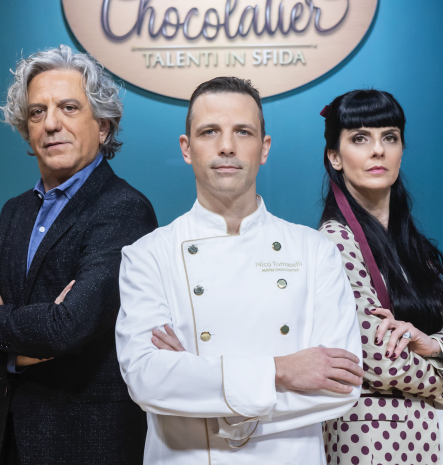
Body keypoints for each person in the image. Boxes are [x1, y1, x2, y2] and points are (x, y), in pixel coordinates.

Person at [115, 77, 365, 465]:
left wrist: (198, 383)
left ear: (264, 148)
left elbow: (341, 386)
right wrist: (282, 370)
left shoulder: (316, 252)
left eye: (243, 132)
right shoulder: (147, 256)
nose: (227, 146)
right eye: (209, 131)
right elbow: (147, 379)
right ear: (186, 148)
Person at [0, 45, 157, 465]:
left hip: (89, 447)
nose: (51, 123)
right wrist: (18, 354)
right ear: (27, 129)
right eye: (37, 112)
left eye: (69, 108)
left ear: (103, 126)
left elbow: (68, 327)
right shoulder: (15, 212)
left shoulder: (124, 210)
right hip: (15, 446)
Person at [316, 89, 443, 465]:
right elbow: (376, 360)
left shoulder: (411, 245)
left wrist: (433, 346)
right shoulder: (334, 242)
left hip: (433, 438)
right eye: (360, 138)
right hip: (374, 444)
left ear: (401, 150)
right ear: (335, 156)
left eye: (390, 137)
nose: (378, 150)